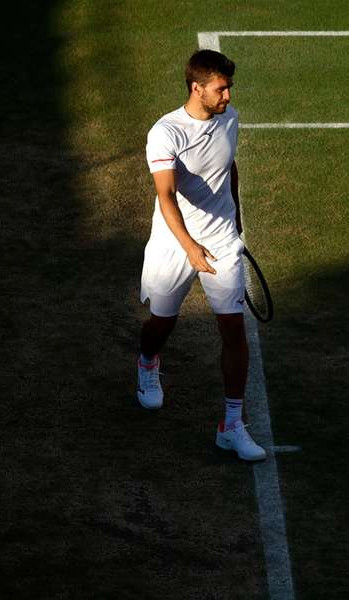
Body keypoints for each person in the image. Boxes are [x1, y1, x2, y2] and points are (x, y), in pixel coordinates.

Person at [135, 49, 265, 461]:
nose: (228, 96)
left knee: (233, 330)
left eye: (229, 88)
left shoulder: (230, 118)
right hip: (175, 243)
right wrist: (190, 247)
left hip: (223, 241)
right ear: (197, 88)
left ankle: (231, 425)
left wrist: (237, 221)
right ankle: (147, 363)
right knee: (162, 321)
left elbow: (230, 168)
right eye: (221, 89)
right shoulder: (165, 133)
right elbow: (166, 194)